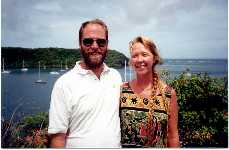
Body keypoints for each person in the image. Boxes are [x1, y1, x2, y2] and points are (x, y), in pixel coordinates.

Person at [48, 19, 122, 148]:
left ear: (107, 44)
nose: (94, 46)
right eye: (88, 41)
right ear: (80, 43)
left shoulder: (115, 76)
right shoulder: (64, 84)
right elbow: (57, 138)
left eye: (101, 41)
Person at [120, 36, 180, 147]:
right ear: (131, 61)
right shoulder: (122, 91)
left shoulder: (168, 94)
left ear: (154, 58)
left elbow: (173, 136)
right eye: (135, 56)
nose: (139, 59)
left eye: (144, 54)